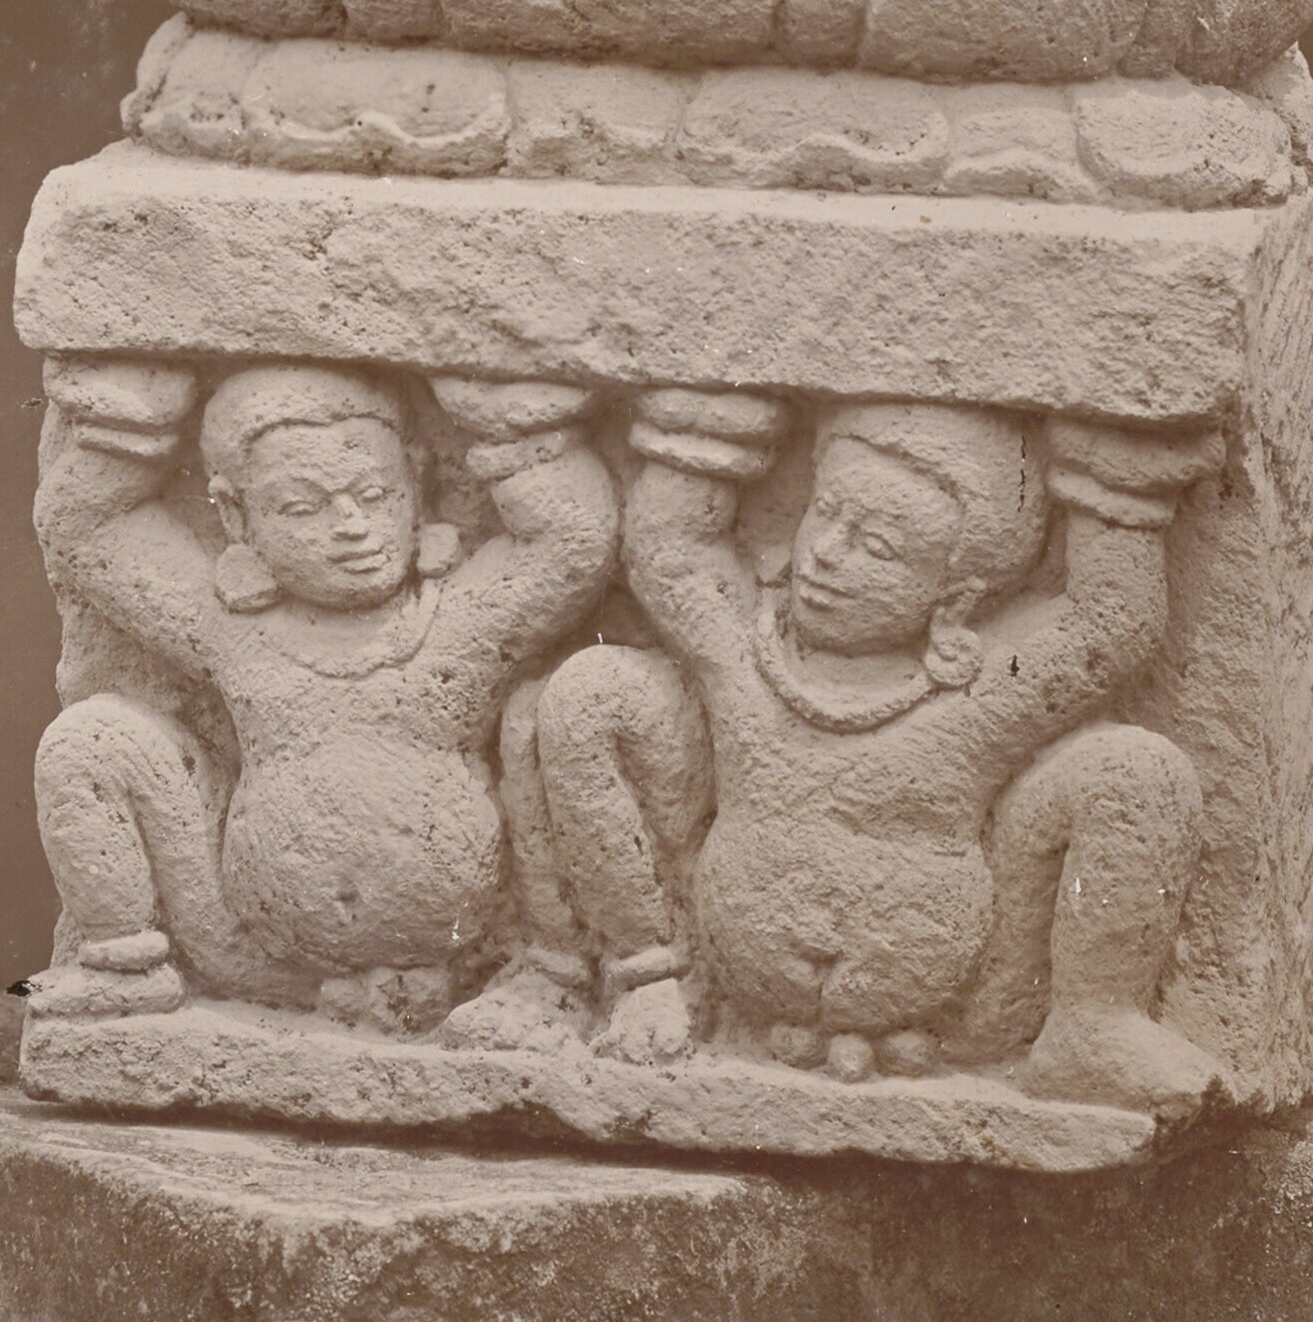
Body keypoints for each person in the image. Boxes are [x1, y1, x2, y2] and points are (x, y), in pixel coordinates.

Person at [449, 384, 1223, 1110]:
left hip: (969, 1004)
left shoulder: (979, 701)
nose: (825, 553)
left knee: (1135, 772)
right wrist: (709, 412)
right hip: (716, 974)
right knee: (585, 693)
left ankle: (1090, 1024)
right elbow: (669, 549)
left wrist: (1116, 478)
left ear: (954, 598)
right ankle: (636, 975)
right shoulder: (743, 657)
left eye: (876, 547)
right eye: (825, 514)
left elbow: (1109, 625)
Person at [28, 355, 619, 1028]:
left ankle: (564, 972)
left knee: (553, 715)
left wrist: (505, 418)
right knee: (90, 740)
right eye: (302, 507)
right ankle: (125, 969)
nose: (351, 527)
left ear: (417, 483)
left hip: (464, 954)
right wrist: (130, 424)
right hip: (247, 950)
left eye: (375, 495)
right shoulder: (233, 632)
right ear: (236, 515)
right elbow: (87, 532)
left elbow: (574, 538)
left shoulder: (462, 623)